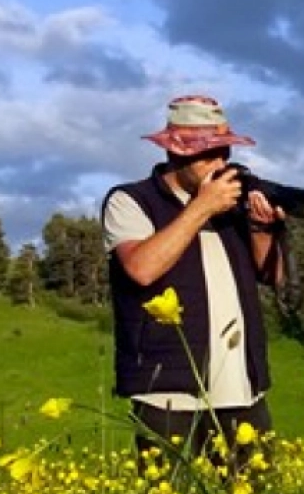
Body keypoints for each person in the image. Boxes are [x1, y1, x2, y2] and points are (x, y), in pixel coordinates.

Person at [102, 94, 286, 471]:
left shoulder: (234, 204)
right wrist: (201, 207)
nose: (219, 164)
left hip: (242, 386)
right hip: (168, 392)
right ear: (175, 154)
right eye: (208, 154)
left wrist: (263, 230)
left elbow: (274, 277)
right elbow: (141, 268)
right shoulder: (130, 201)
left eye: (224, 153)